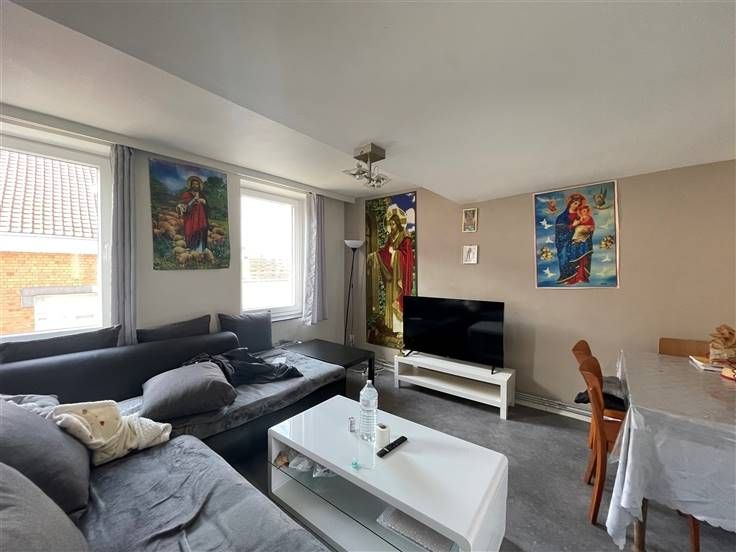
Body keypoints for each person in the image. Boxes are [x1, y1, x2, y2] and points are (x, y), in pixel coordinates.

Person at [371, 211, 415, 331]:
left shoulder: (405, 236)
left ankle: (400, 328)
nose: (391, 227)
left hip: (400, 276)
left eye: (393, 224)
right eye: (390, 224)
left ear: (398, 224)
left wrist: (395, 253)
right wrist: (376, 254)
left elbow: (407, 256)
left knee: (398, 297)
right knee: (390, 298)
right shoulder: (390, 237)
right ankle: (392, 326)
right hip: (391, 275)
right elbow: (385, 252)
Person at [555, 193, 593, 284]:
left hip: (580, 241)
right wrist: (573, 225)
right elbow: (560, 232)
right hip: (566, 242)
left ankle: (580, 277)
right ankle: (568, 278)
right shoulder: (562, 217)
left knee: (582, 252)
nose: (577, 206)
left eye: (579, 204)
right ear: (570, 203)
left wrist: (587, 231)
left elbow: (588, 227)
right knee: (565, 254)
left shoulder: (581, 215)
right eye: (575, 203)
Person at [177, 176, 208, 252]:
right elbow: (184, 205)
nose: (195, 185)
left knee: (200, 231)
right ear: (191, 185)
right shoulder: (186, 194)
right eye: (193, 184)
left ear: (199, 185)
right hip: (190, 217)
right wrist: (194, 200)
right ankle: (190, 248)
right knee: (190, 231)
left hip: (200, 217)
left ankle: (199, 249)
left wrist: (204, 202)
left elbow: (206, 206)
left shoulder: (201, 195)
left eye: (197, 184)